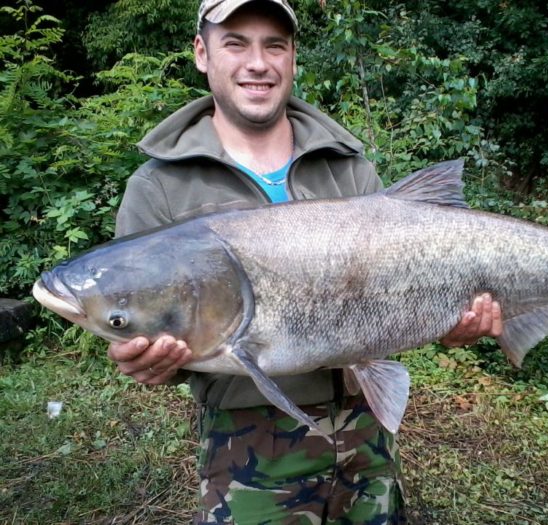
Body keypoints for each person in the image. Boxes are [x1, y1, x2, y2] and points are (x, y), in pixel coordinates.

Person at [107, 1, 503, 523]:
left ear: (292, 58)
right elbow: (141, 320)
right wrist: (149, 360)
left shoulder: (348, 167)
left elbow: (391, 302)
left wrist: (451, 320)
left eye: (275, 45)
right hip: (246, 443)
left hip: (366, 432)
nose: (257, 63)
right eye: (236, 43)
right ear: (202, 53)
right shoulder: (157, 188)